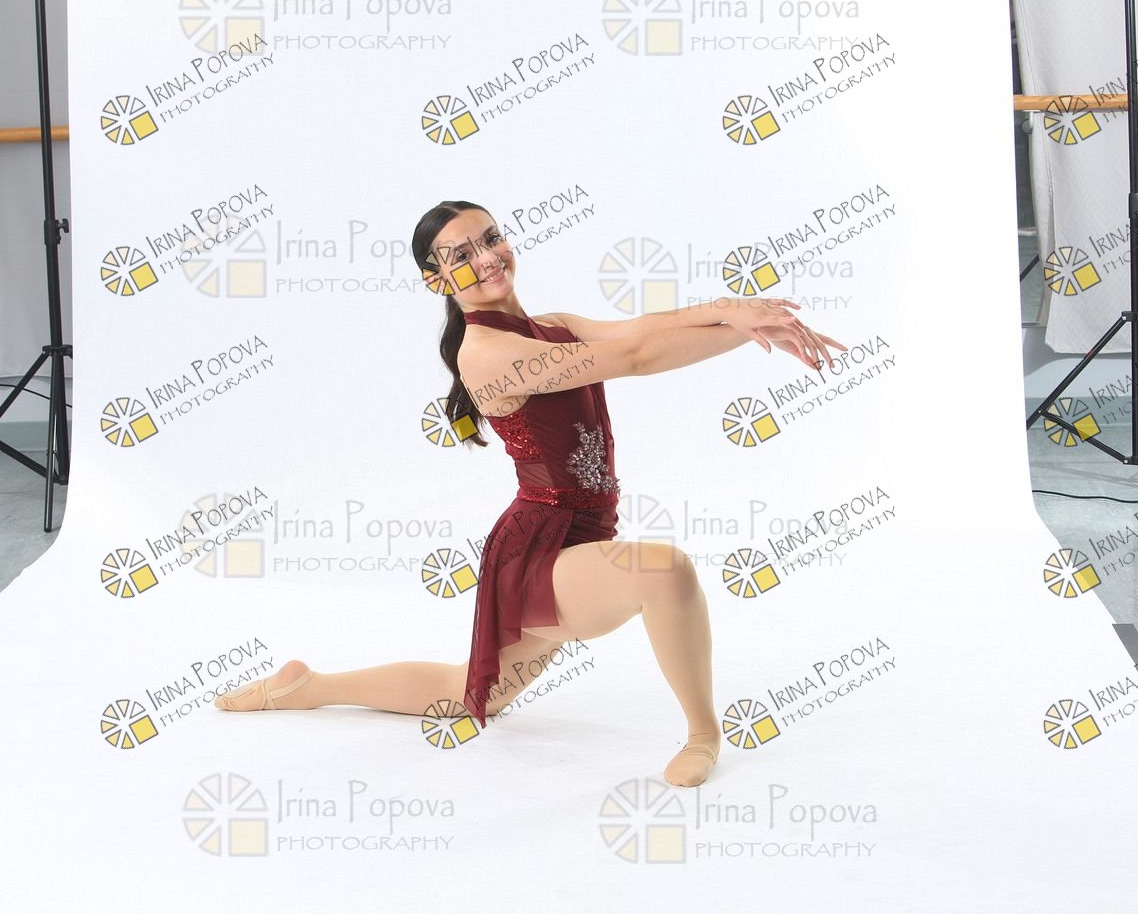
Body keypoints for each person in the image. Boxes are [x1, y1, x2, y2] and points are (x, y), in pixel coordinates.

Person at [217, 199, 847, 787]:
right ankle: (705, 734)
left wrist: (736, 308)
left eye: (491, 238)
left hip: (581, 532)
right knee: (665, 572)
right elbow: (633, 356)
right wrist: (746, 329)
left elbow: (639, 327)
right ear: (437, 280)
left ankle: (309, 686)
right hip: (541, 546)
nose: (487, 256)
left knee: (470, 694)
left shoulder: (552, 327)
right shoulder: (487, 354)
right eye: (462, 254)